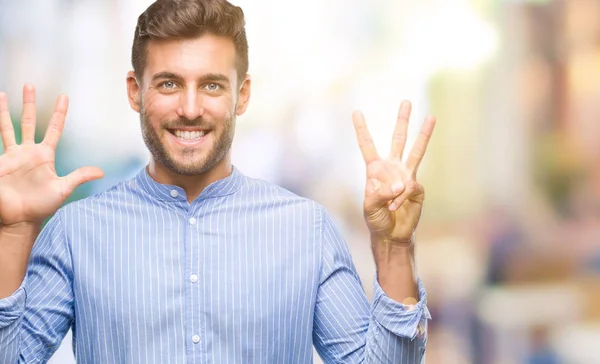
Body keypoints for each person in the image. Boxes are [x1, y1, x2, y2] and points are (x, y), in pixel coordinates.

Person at [0, 0, 436, 362]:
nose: (190, 108)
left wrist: (396, 249)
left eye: (211, 86)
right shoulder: (77, 233)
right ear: (135, 91)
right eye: (169, 83)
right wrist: (15, 232)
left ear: (241, 95)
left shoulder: (306, 230)